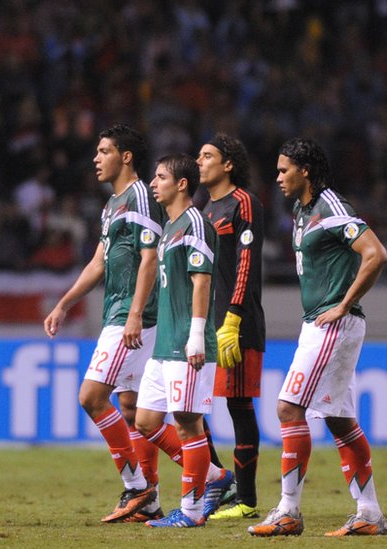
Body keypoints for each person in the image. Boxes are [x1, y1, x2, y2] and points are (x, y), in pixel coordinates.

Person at [249, 138, 387, 537]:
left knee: (288, 408)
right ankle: (369, 512)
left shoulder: (331, 206)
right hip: (318, 322)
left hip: (332, 324)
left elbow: (376, 253)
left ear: (305, 170)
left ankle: (288, 511)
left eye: (283, 170)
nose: (277, 177)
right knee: (340, 420)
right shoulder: (302, 210)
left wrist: (344, 304)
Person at [43, 124, 162, 523]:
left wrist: (132, 314)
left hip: (134, 316)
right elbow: (99, 262)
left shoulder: (142, 197)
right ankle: (153, 503)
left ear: (126, 156)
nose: (96, 158)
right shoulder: (113, 205)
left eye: (104, 150)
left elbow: (150, 258)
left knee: (92, 397)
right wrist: (64, 303)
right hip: (123, 313)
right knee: (131, 408)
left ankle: (137, 486)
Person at [139, 153, 223, 528]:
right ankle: (213, 476)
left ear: (182, 183)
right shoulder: (170, 226)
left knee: (189, 424)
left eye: (160, 177)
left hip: (187, 344)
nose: (153, 183)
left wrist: (196, 337)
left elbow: (201, 281)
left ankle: (190, 512)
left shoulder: (195, 224)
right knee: (145, 420)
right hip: (163, 345)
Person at [196, 133, 266, 520]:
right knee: (189, 405)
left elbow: (246, 263)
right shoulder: (204, 209)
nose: (199, 161)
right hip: (207, 325)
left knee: (239, 406)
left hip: (237, 324)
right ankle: (220, 478)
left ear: (228, 164)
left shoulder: (244, 203)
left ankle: (247, 500)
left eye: (207, 156)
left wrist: (234, 316)